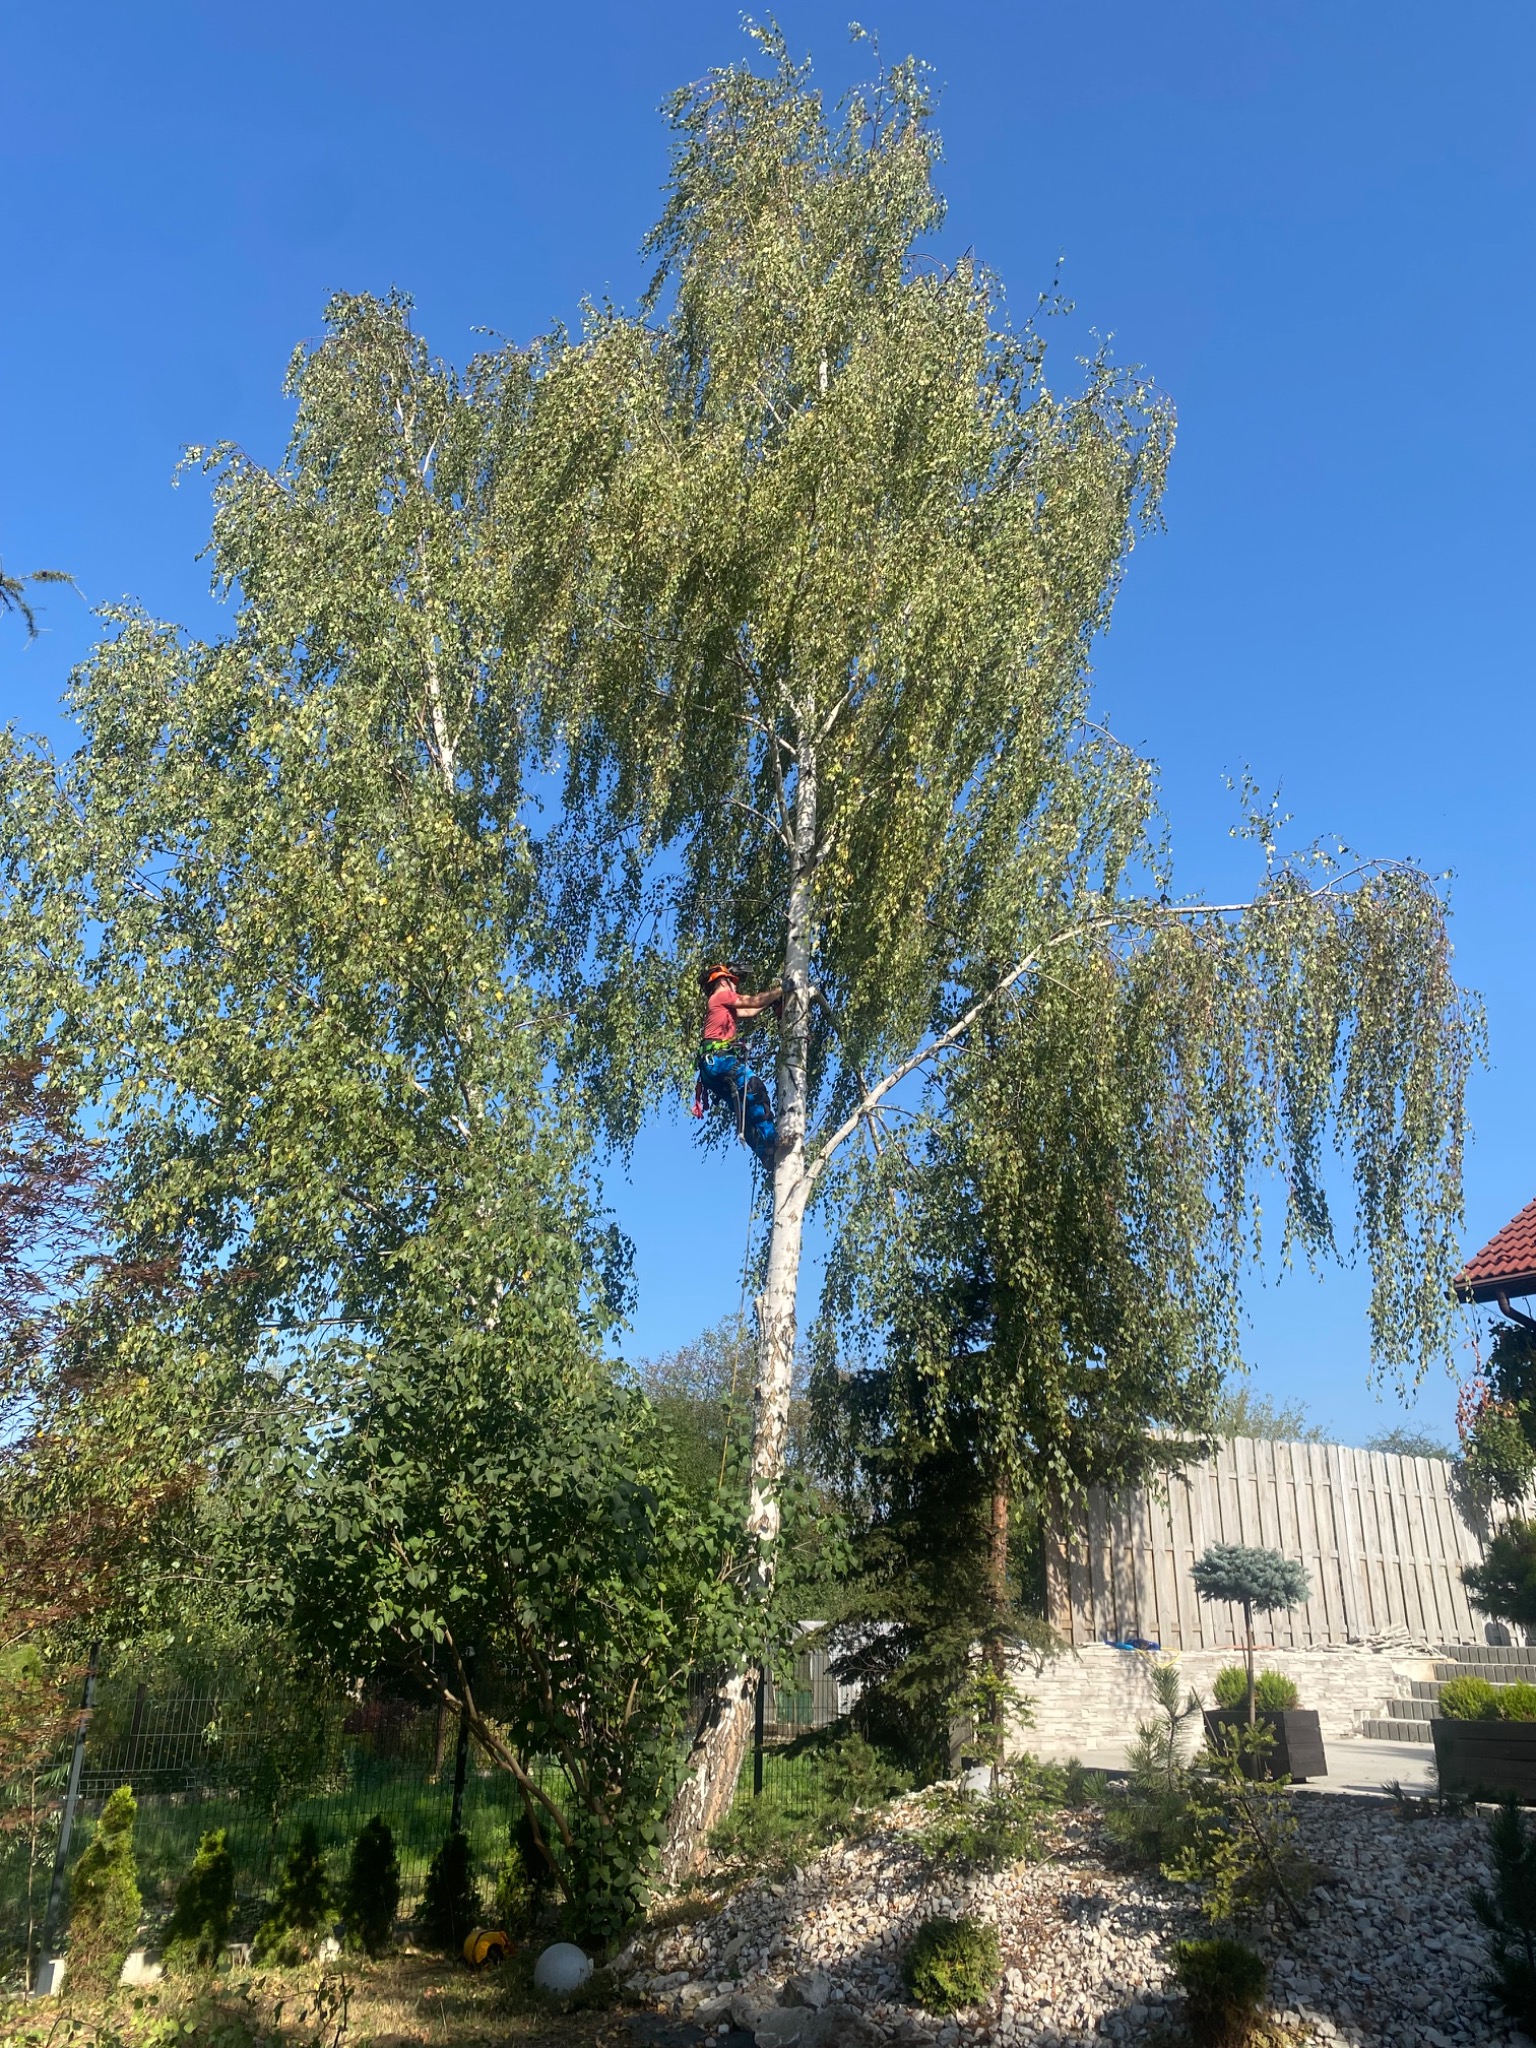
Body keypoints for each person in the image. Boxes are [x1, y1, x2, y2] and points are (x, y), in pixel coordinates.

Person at [693, 962, 782, 1171]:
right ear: (722, 981)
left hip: (711, 1069)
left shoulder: (721, 1004)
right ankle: (773, 1140)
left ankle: (766, 1154)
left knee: (745, 1107)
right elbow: (751, 1001)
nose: (735, 988)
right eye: (732, 983)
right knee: (755, 1088)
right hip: (719, 1060)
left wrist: (771, 1002)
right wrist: (782, 989)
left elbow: (750, 1011)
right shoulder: (721, 994)